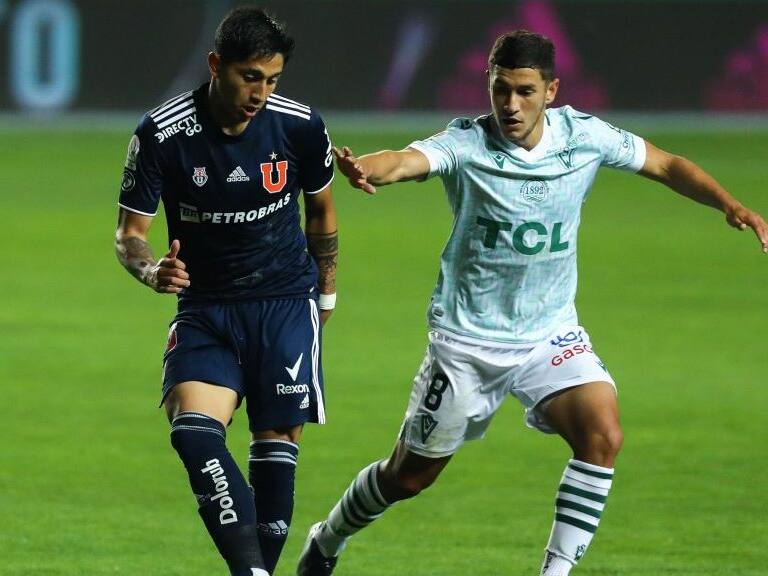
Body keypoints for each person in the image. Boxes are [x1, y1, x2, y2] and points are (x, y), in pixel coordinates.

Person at [296, 30, 767, 576]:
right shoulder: (467, 143)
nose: (510, 105)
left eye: (524, 91)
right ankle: (328, 537)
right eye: (500, 90)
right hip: (468, 342)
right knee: (408, 477)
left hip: (549, 334)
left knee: (602, 434)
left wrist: (729, 205)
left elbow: (664, 164)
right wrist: (364, 168)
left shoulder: (584, 136)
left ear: (551, 90)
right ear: (488, 86)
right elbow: (404, 160)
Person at [114, 7, 338, 576]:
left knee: (275, 450)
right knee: (192, 434)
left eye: (272, 80)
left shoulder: (300, 125)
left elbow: (321, 210)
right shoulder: (162, 133)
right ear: (215, 66)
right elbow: (129, 235)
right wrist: (150, 271)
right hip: (207, 308)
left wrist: (326, 294)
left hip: (285, 302)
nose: (260, 93)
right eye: (249, 77)